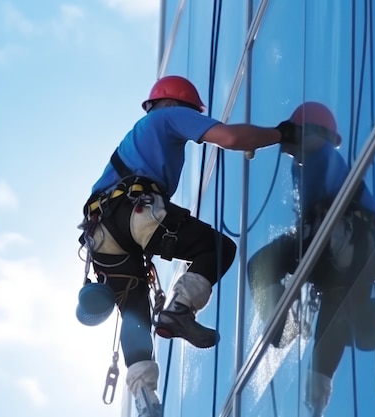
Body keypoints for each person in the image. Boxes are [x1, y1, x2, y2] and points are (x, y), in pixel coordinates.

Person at [77, 75, 305, 417]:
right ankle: (180, 309)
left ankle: (144, 397)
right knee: (217, 249)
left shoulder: (136, 138)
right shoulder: (167, 117)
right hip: (134, 213)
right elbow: (229, 137)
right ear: (173, 106)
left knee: (135, 312)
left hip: (101, 236)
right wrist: (283, 134)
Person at [247, 102, 375, 417]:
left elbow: (315, 144)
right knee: (333, 316)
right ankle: (318, 400)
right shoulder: (312, 166)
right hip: (344, 250)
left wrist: (283, 134)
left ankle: (286, 331)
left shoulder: (323, 155)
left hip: (340, 239)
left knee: (261, 265)